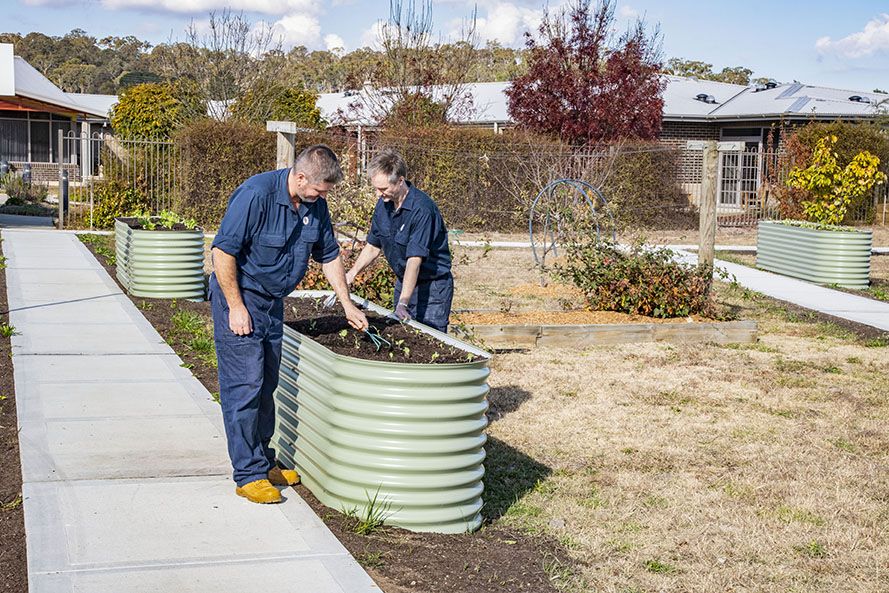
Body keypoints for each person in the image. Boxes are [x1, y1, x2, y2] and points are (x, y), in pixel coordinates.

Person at [210, 144, 368, 504]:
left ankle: (263, 461)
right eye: (319, 189)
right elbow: (223, 252)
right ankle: (248, 474)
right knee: (245, 384)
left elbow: (328, 255)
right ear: (300, 178)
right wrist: (236, 306)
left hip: (272, 304)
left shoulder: (315, 205)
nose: (322, 196)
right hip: (240, 297)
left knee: (267, 384)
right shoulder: (255, 195)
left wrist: (346, 303)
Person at [346, 149, 453, 332]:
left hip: (432, 289)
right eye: (376, 188)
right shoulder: (384, 204)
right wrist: (351, 274)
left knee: (430, 341)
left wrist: (403, 302)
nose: (378, 194)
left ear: (401, 181)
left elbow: (414, 261)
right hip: (404, 282)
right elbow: (373, 246)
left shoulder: (422, 210)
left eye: (383, 189)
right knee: (403, 336)